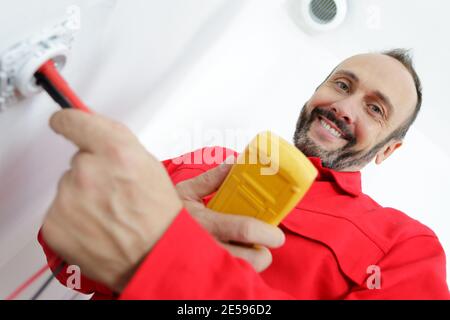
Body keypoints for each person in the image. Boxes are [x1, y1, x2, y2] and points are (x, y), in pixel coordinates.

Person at [39, 49, 450, 299]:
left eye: (375, 109)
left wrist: (165, 260)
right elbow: (66, 259)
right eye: (342, 85)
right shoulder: (209, 160)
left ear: (389, 149)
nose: (345, 108)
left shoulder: (406, 245)